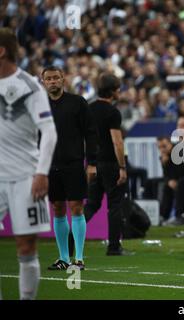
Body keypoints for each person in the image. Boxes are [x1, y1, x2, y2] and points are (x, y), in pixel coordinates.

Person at [0, 28, 58, 299]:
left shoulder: (29, 86)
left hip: (25, 176)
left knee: (26, 246)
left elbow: (49, 131)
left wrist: (41, 173)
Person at [42, 66, 97, 271]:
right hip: (49, 164)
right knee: (57, 208)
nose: (53, 81)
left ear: (63, 79)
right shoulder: (39, 105)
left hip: (73, 163)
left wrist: (92, 162)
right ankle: (64, 258)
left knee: (76, 207)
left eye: (56, 77)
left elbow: (91, 133)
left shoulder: (77, 103)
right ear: (44, 82)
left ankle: (79, 258)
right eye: (49, 79)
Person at [83, 73, 129, 256]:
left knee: (92, 205)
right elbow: (117, 142)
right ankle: (114, 247)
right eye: (118, 89)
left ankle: (70, 241)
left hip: (95, 163)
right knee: (115, 205)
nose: (119, 92)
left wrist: (90, 163)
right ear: (112, 91)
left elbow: (86, 140)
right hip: (111, 164)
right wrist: (122, 167)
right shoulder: (112, 112)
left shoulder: (88, 109)